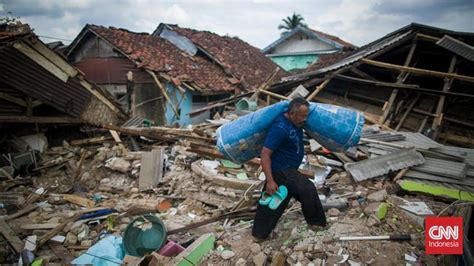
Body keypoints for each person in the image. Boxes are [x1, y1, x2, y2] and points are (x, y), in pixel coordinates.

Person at [252, 97, 327, 240]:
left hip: (289, 169)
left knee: (276, 201)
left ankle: (259, 234)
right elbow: (265, 154)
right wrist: (269, 180)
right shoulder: (280, 128)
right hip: (281, 169)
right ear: (292, 113)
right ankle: (317, 224)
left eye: (306, 116)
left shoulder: (295, 123)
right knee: (307, 189)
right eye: (302, 116)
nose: (305, 119)